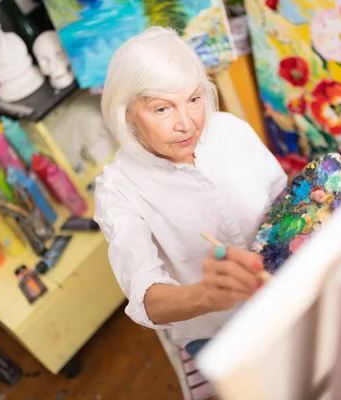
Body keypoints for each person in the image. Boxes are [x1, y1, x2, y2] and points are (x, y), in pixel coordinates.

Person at [94, 27, 288, 359]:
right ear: (126, 113)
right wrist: (207, 296)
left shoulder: (229, 129)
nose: (187, 123)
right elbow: (147, 297)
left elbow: (281, 198)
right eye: (162, 109)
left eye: (194, 100)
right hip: (220, 332)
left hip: (285, 292)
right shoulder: (117, 190)